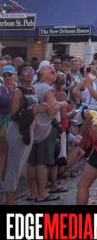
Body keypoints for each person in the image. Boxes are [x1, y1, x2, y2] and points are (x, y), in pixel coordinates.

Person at [3, 64, 40, 205]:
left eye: (31, 70)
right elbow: (14, 115)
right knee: (14, 167)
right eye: (25, 71)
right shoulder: (18, 92)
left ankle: (12, 199)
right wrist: (34, 112)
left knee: (20, 166)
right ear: (19, 76)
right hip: (17, 131)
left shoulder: (32, 89)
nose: (29, 73)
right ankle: (9, 201)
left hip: (28, 130)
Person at [26, 63, 60, 202]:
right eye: (52, 72)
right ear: (44, 74)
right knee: (42, 162)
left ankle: (33, 192)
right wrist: (60, 105)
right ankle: (42, 193)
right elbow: (51, 111)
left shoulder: (35, 86)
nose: (54, 74)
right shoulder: (48, 89)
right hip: (45, 128)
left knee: (32, 162)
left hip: (33, 128)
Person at [0, 64, 18, 188]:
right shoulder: (1, 89)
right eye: (5, 75)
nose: (7, 77)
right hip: (3, 122)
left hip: (15, 123)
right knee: (3, 152)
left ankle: (7, 178)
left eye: (9, 74)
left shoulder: (18, 89)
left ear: (14, 75)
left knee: (11, 153)